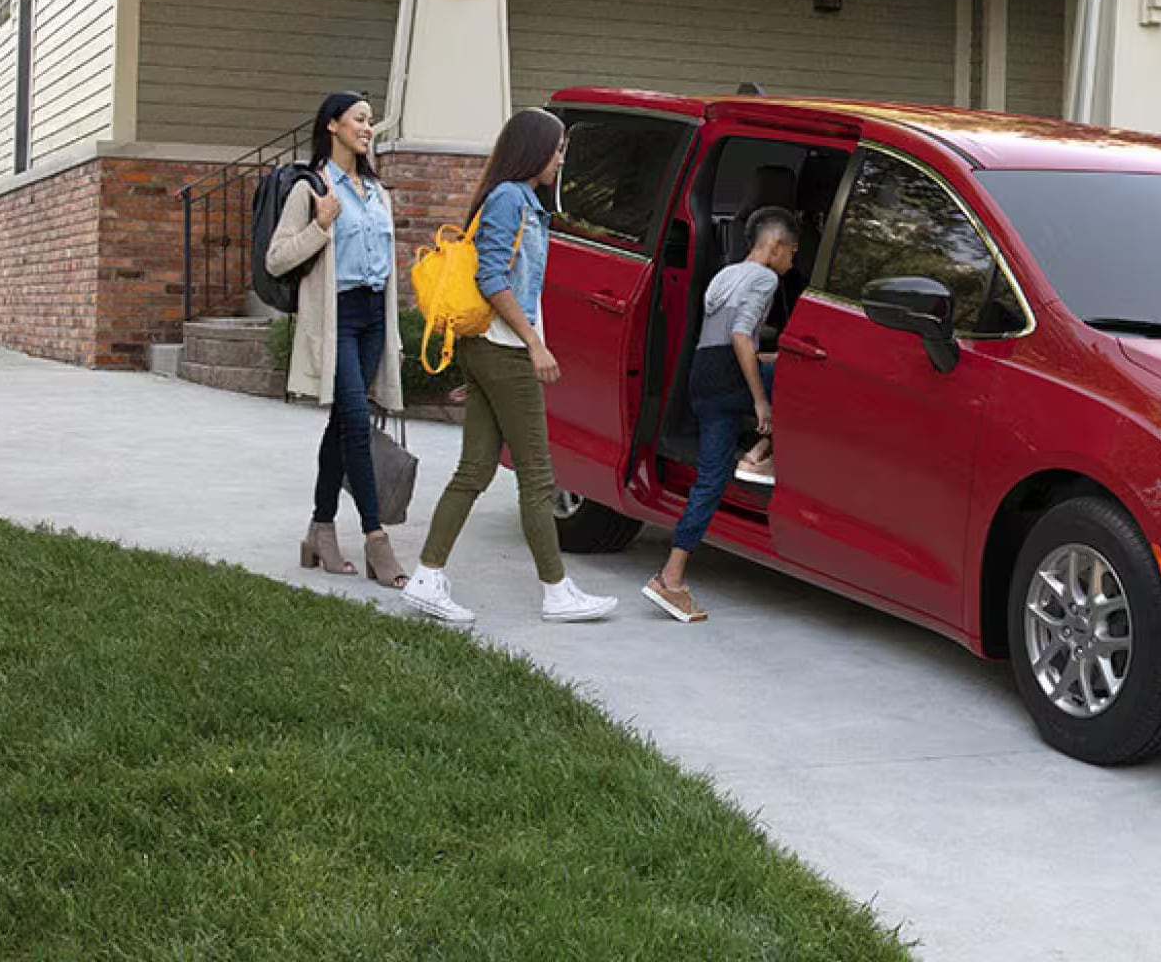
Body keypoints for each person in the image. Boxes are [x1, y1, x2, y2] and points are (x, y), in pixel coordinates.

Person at [405, 108, 618, 625]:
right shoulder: (509, 201)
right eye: (558, 149)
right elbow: (493, 278)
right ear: (534, 150)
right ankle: (557, 591)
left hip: (490, 349)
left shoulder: (520, 199)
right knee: (538, 476)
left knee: (476, 469)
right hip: (503, 350)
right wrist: (533, 343)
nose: (561, 159)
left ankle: (427, 576)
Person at [270, 92, 409, 589]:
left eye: (371, 121)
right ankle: (376, 540)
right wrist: (321, 224)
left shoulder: (377, 192)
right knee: (354, 424)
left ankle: (319, 530)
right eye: (360, 119)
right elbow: (277, 258)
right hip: (337, 320)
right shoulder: (312, 188)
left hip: (373, 316)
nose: (368, 128)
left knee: (344, 423)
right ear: (333, 126)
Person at [643, 207, 799, 623]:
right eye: (793, 254)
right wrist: (761, 402)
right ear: (777, 246)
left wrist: (766, 360)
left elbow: (727, 340)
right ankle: (760, 453)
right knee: (801, 380)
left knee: (708, 483)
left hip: (703, 377)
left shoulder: (726, 274)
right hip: (731, 377)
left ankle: (671, 578)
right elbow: (740, 336)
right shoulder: (765, 278)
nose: (792, 263)